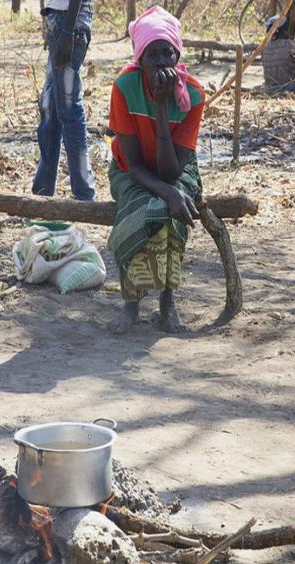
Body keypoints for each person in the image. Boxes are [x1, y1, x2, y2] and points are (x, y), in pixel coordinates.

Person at [106, 6, 205, 335]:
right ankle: (132, 302)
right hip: (129, 168)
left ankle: (167, 300)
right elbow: (134, 166)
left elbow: (171, 171)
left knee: (171, 211)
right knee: (142, 208)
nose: (162, 63)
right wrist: (168, 192)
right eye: (154, 56)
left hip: (177, 168)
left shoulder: (192, 95)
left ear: (178, 56)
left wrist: (162, 106)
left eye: (168, 54)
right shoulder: (125, 87)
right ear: (140, 60)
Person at [32, 0, 96, 201]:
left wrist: (67, 32)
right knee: (49, 109)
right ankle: (43, 192)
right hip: (60, 21)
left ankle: (84, 193)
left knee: (69, 111)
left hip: (69, 23)